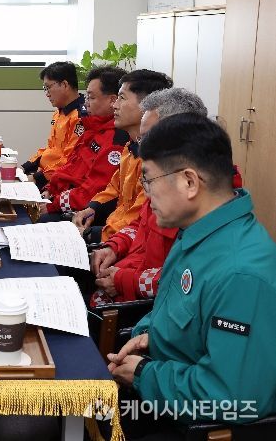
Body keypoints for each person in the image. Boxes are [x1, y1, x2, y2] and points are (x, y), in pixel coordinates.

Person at [108, 113, 276, 436]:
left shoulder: (241, 273)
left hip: (188, 422)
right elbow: (177, 311)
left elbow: (234, 399)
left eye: (149, 180)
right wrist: (150, 337)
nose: (146, 194)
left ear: (189, 182)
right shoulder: (199, 233)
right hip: (167, 387)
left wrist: (144, 374)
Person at [90, 88, 207, 305]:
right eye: (141, 139)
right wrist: (113, 246)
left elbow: (186, 279)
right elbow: (139, 224)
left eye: (148, 139)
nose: (141, 148)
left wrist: (125, 280)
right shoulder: (165, 180)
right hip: (124, 277)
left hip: (147, 304)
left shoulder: (198, 199)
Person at [72, 69, 173, 243]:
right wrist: (93, 208)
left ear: (147, 106)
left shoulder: (156, 161)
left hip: (124, 240)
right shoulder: (130, 147)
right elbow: (114, 188)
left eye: (122, 98)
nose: (115, 105)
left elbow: (138, 217)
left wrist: (93, 234)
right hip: (114, 233)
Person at [39, 66, 129, 221]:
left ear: (112, 101)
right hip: (66, 197)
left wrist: (53, 204)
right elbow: (69, 166)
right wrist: (50, 189)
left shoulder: (116, 139)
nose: (86, 103)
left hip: (85, 212)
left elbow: (93, 190)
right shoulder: (92, 128)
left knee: (42, 220)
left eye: (91, 98)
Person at [22, 61, 86, 188]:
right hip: (45, 174)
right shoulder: (59, 113)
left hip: (59, 182)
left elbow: (71, 160)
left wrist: (37, 178)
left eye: (48, 87)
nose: (47, 94)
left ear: (64, 85)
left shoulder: (80, 117)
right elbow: (50, 149)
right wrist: (24, 168)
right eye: (45, 88)